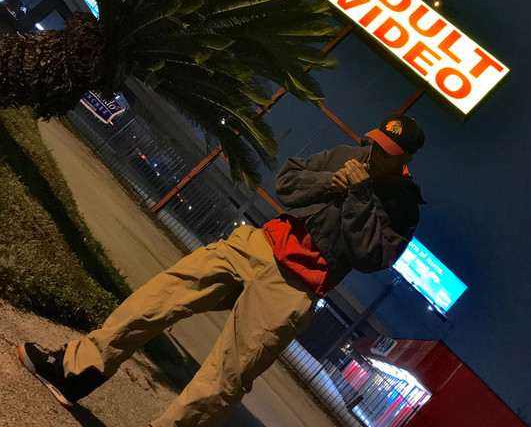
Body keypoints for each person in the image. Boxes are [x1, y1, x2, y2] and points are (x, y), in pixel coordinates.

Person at [18, 113, 426, 427]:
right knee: (159, 297)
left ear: (405, 159)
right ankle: (74, 372)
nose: (374, 153)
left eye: (387, 151)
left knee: (227, 374)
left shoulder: (404, 207)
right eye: (376, 142)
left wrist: (358, 195)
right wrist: (331, 182)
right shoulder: (345, 155)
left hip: (293, 288)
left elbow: (371, 257)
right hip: (256, 245)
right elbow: (287, 183)